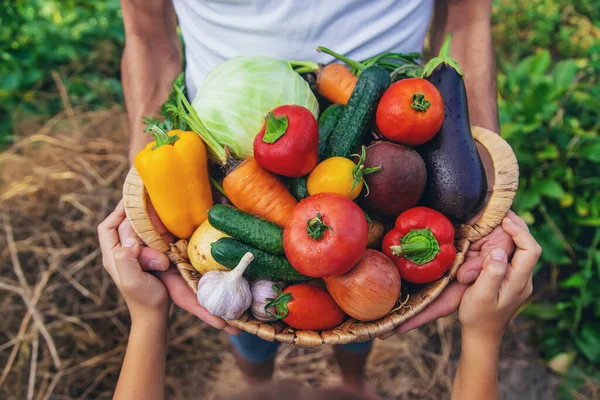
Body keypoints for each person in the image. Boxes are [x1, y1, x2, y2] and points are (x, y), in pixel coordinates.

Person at [117, 0, 512, 394]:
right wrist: (143, 183)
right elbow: (146, 34)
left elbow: (467, 18)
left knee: (363, 315)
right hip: (217, 157)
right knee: (243, 308)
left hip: (392, 124)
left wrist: (479, 179)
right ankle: (258, 380)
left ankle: (353, 378)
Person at [99, 202, 540, 399]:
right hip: (356, 282)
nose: (306, 391)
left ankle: (260, 382)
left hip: (288, 283)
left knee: (247, 332)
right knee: (358, 323)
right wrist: (483, 334)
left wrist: (147, 315)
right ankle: (353, 382)